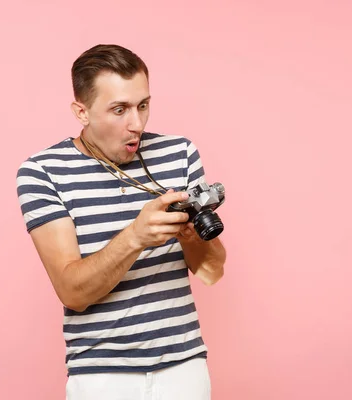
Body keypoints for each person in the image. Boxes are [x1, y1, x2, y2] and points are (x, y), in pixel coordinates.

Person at [15, 44, 226, 399]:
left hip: (184, 368)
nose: (137, 123)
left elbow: (212, 271)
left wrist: (190, 237)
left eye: (143, 105)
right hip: (102, 376)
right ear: (81, 112)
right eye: (119, 109)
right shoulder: (41, 173)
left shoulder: (180, 153)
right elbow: (72, 292)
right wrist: (134, 237)